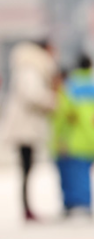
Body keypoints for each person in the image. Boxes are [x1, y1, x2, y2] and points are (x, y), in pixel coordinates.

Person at [2, 39, 57, 221]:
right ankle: (26, 208)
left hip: (26, 126)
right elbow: (31, 94)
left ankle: (27, 207)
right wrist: (52, 101)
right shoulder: (30, 67)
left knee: (27, 169)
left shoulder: (29, 65)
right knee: (26, 168)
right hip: (24, 127)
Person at [51, 53, 94, 217]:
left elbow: (65, 113)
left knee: (72, 174)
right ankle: (86, 204)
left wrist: (59, 138)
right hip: (93, 137)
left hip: (73, 139)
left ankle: (74, 205)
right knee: (85, 174)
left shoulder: (69, 87)